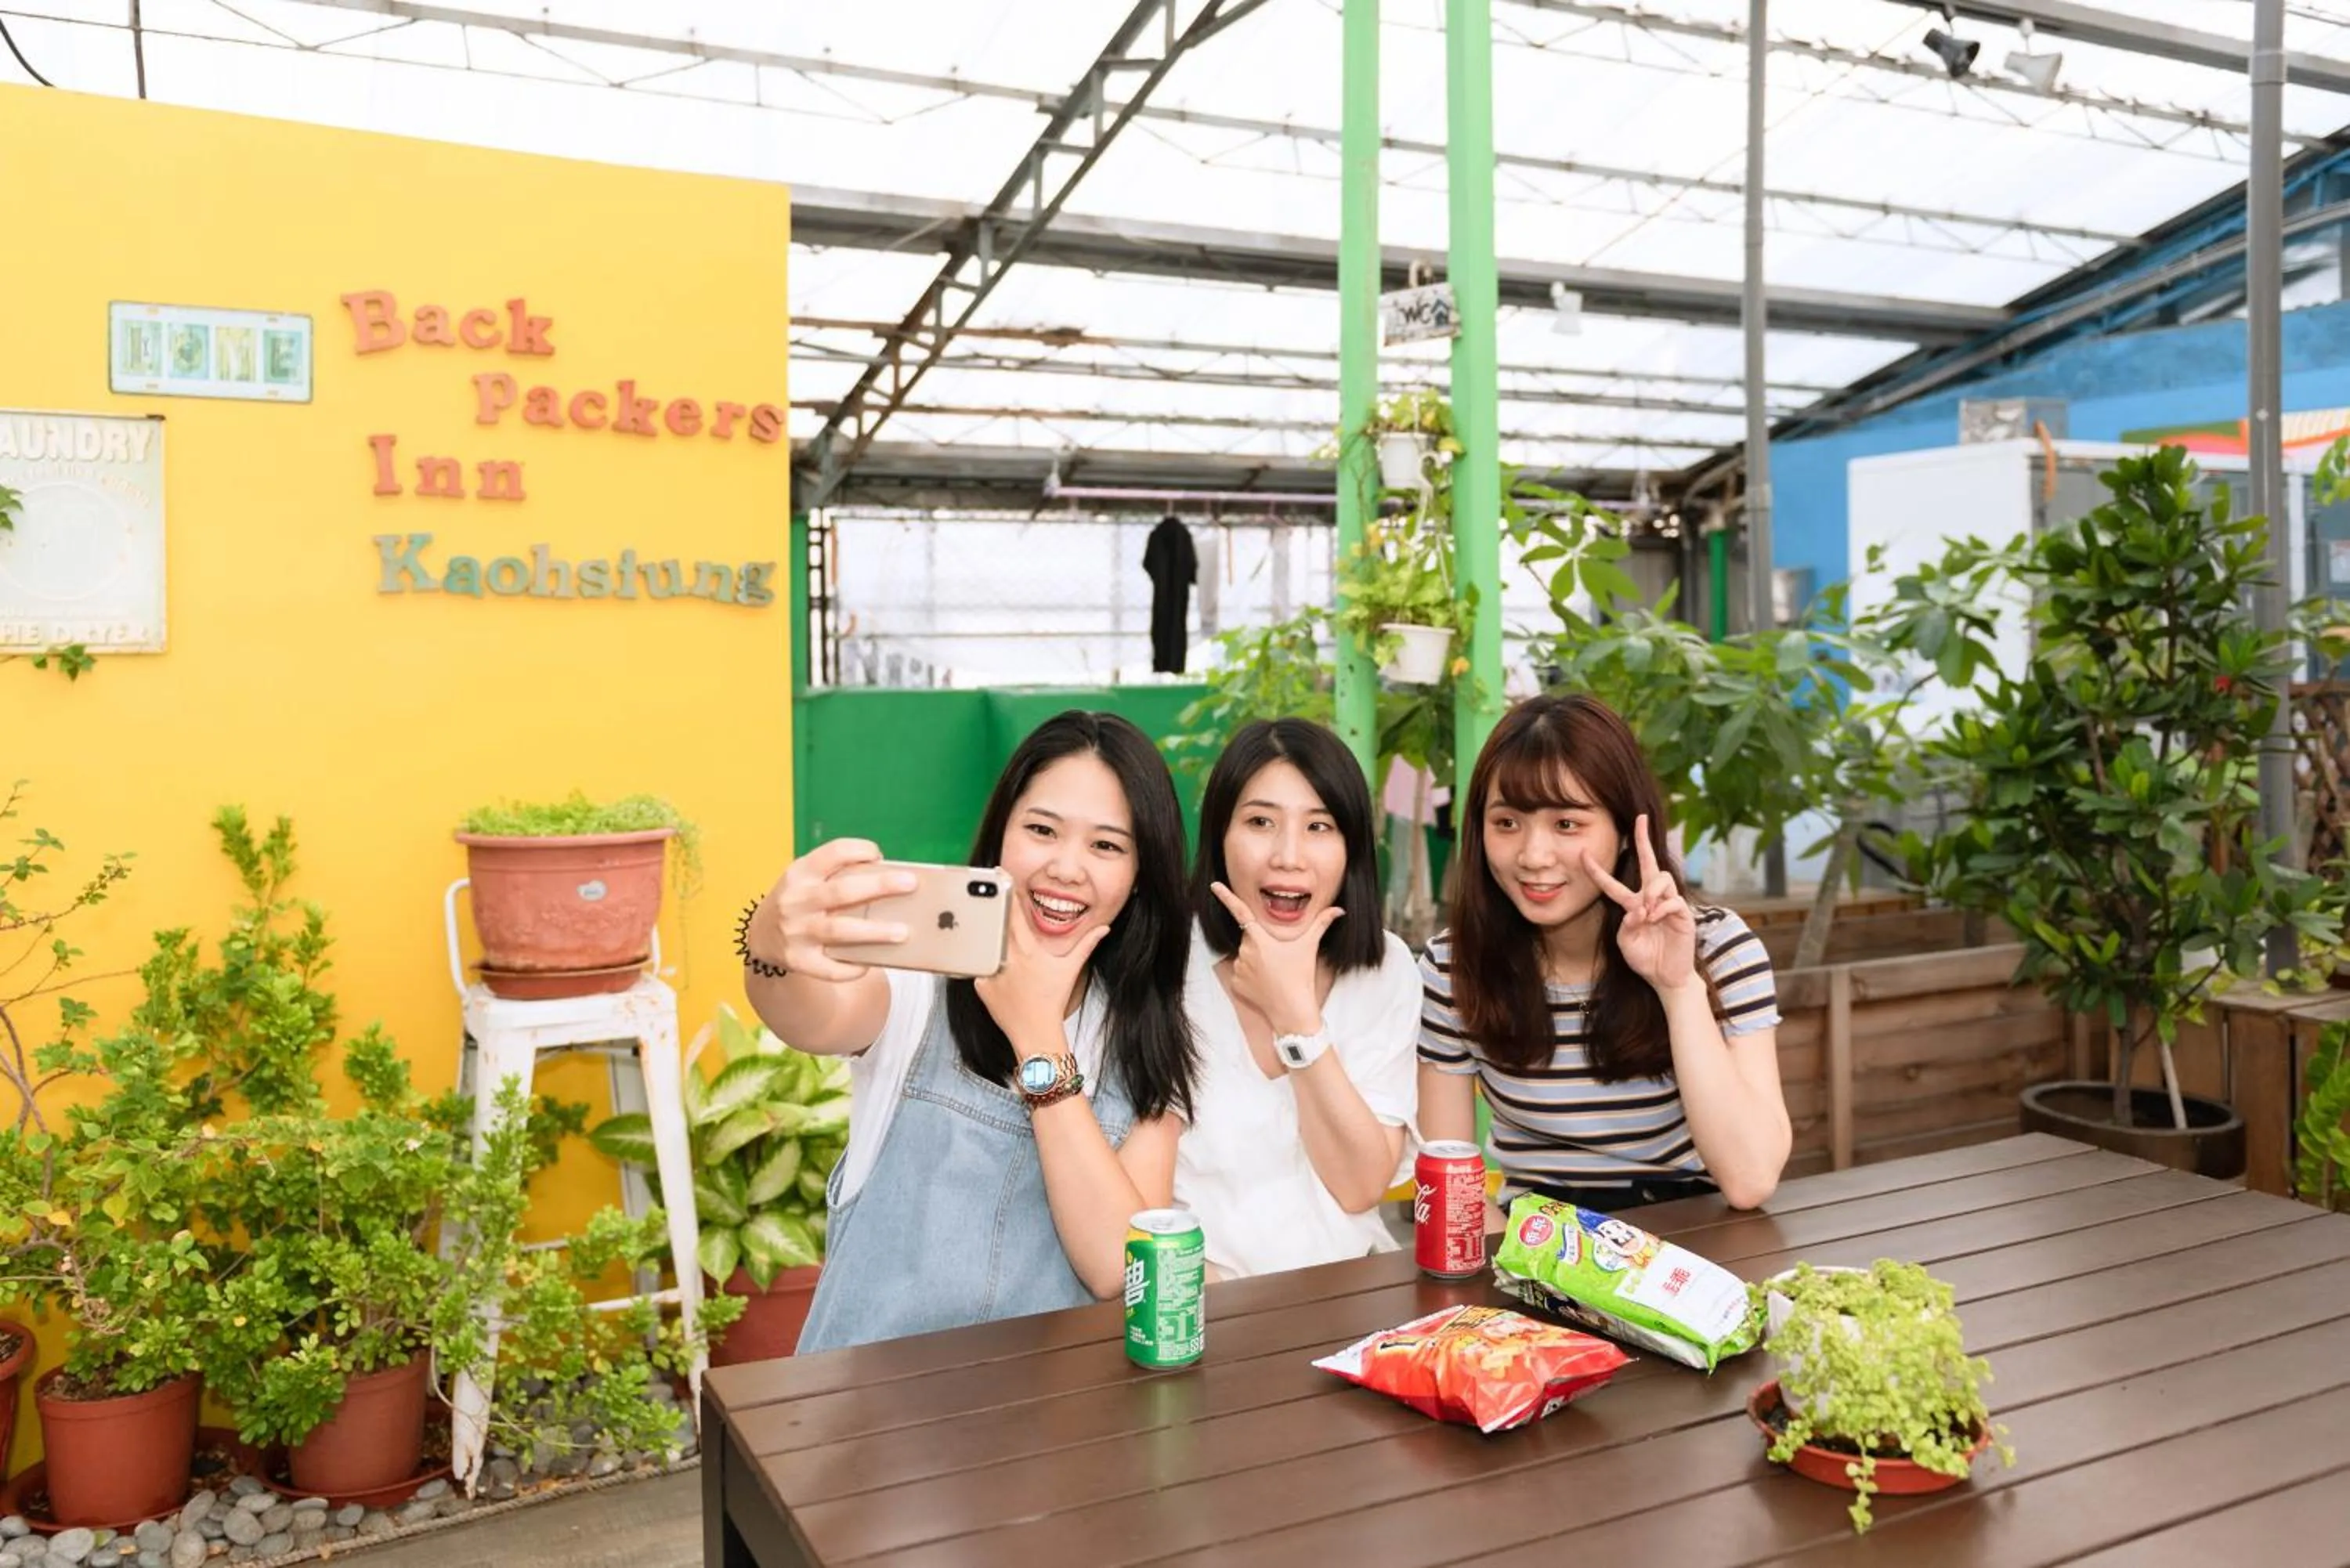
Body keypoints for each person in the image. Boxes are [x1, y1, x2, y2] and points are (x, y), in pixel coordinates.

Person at [736, 710, 1196, 1352]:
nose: (1066, 868)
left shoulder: (1145, 1038)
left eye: (1107, 846)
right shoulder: (919, 989)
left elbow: (1115, 1268)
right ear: (1000, 835)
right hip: (865, 1434)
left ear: (1141, 874)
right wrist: (769, 946)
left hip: (1043, 1437)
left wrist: (1038, 1034)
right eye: (1041, 830)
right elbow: (807, 1017)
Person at [1416, 693, 1789, 1219]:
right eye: (1507, 823)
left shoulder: (1720, 947)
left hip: (1694, 1240)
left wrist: (1677, 988)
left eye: (1567, 824)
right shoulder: (1452, 968)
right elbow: (1456, 1188)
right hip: (1537, 1248)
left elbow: (1751, 1180)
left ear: (1622, 832)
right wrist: (1513, 1270)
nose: (1533, 856)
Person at [1173, 718, 1419, 1278]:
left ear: (1351, 847)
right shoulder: (1164, 961)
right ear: (1219, 836)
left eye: (1319, 826)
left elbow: (1360, 1188)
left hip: (1347, 1299)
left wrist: (1295, 1019)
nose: (1288, 856)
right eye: (1260, 821)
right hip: (1190, 1304)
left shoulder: (1386, 968)